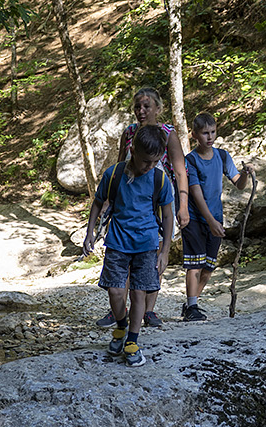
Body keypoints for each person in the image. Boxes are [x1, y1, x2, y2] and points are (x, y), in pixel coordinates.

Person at [94, 87, 189, 329]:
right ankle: (121, 310)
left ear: (158, 109)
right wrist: (108, 199)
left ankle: (149, 309)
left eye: (147, 106)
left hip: (158, 197)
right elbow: (118, 166)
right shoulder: (129, 133)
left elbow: (180, 171)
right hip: (130, 196)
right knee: (125, 253)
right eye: (137, 106)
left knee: (153, 253)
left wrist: (183, 205)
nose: (141, 111)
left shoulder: (168, 134)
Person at [82, 125, 175, 368]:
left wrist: (164, 251)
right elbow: (98, 202)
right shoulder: (114, 174)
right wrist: (90, 232)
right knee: (115, 292)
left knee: (138, 293)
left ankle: (132, 342)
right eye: (146, 161)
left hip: (147, 245)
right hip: (117, 243)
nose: (150, 166)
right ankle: (121, 327)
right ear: (132, 150)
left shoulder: (159, 178)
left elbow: (167, 216)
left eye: (155, 161)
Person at [182, 113, 250, 321]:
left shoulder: (222, 156)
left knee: (209, 266)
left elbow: (238, 183)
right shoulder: (190, 161)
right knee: (195, 262)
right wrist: (210, 221)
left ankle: (191, 305)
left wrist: (245, 173)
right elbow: (196, 193)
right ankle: (192, 306)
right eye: (204, 133)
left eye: (212, 132)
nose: (209, 137)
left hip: (215, 216)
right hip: (195, 217)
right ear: (194, 135)